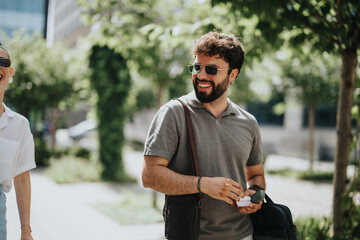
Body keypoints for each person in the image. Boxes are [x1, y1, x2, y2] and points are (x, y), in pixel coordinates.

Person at [142, 31, 266, 240]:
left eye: (211, 69)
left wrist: (256, 194)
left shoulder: (248, 122)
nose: (200, 75)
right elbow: (150, 176)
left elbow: (256, 175)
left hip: (243, 235)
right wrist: (203, 184)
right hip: (189, 235)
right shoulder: (173, 113)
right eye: (197, 67)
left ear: (232, 75)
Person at [0, 43, 36, 240]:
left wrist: (25, 230)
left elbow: (22, 178)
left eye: (2, 62)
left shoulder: (19, 125)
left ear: (10, 72)